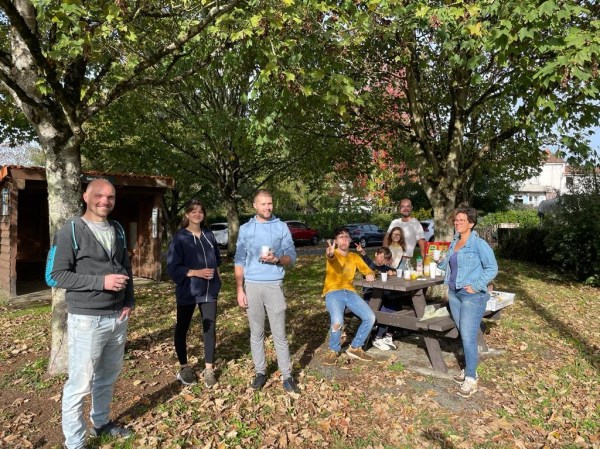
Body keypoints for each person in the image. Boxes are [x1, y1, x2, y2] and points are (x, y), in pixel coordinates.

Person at [45, 179, 134, 449]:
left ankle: (101, 423)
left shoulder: (117, 229)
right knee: (80, 384)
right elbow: (56, 275)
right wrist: (101, 282)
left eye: (110, 197)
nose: (105, 201)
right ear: (85, 196)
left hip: (118, 317)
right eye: (99, 195)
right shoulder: (71, 230)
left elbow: (125, 266)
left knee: (107, 377)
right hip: (87, 320)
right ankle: (74, 442)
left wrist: (129, 301)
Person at [234, 189, 300, 394]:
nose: (267, 207)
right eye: (263, 204)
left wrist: (277, 259)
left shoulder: (281, 227)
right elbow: (239, 260)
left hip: (274, 286)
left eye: (270, 203)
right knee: (256, 333)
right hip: (252, 286)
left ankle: (287, 376)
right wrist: (240, 289)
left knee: (280, 334)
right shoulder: (246, 229)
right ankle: (260, 372)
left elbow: (292, 257)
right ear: (254, 206)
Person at [438, 206, 498, 398]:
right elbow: (447, 265)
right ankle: (469, 368)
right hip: (454, 293)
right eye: (456, 220)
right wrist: (440, 260)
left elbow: (492, 268)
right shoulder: (454, 242)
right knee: (463, 333)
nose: (457, 223)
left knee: (468, 336)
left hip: (472, 296)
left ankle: (471, 378)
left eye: (462, 220)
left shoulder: (479, 244)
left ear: (471, 223)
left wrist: (476, 286)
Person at [167, 199, 222, 388]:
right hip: (188, 290)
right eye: (193, 211)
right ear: (187, 214)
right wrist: (195, 272)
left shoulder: (209, 234)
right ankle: (184, 367)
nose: (197, 214)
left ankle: (209, 369)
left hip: (209, 290)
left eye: (200, 211)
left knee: (209, 329)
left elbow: (217, 260)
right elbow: (172, 267)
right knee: (183, 327)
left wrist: (218, 280)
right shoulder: (180, 237)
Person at [321, 227, 376, 365]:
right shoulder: (332, 253)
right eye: (341, 237)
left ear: (350, 240)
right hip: (333, 292)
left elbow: (368, 270)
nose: (344, 239)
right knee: (337, 321)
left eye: (346, 237)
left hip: (350, 292)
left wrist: (370, 274)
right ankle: (334, 350)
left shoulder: (354, 257)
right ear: (336, 241)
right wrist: (330, 254)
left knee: (370, 317)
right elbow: (331, 258)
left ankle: (355, 348)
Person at [355, 246, 398, 351]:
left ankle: (388, 335)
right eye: (381, 257)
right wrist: (362, 253)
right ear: (376, 254)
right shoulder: (370, 266)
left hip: (382, 295)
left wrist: (393, 272)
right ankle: (377, 337)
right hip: (370, 296)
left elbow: (395, 271)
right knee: (384, 311)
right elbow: (367, 261)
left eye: (385, 259)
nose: (383, 260)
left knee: (395, 307)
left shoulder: (385, 268)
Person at [383, 198, 426, 269]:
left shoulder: (416, 224)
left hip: (403, 262)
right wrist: (387, 256)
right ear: (399, 208)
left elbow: (423, 246)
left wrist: (425, 265)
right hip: (389, 261)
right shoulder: (394, 222)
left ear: (411, 208)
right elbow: (386, 239)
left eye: (408, 206)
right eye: (403, 206)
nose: (405, 209)